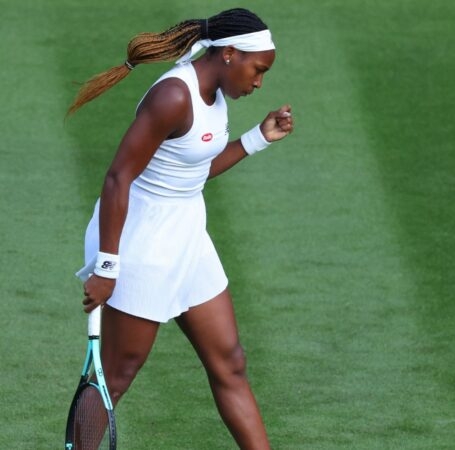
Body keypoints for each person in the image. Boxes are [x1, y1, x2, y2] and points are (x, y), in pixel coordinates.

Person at [69, 8, 293, 449]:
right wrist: (108, 266)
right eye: (259, 70)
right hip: (140, 239)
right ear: (230, 54)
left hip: (187, 232)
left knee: (229, 361)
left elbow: (192, 171)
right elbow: (118, 178)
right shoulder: (173, 96)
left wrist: (258, 137)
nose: (259, 82)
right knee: (115, 375)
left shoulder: (217, 90)